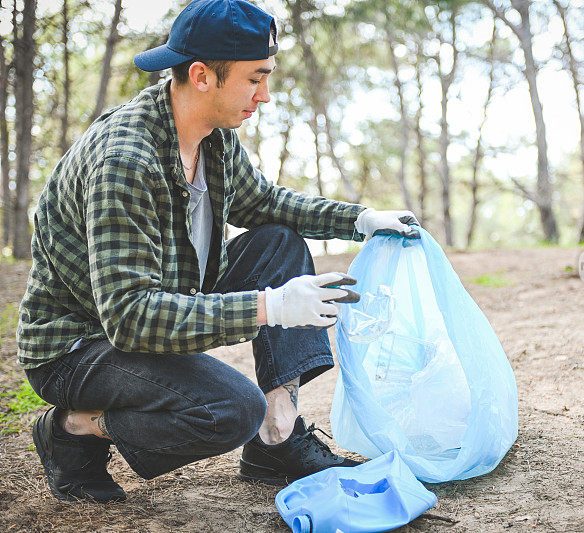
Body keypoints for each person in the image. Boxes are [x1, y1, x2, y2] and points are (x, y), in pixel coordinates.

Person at [16, 0, 419, 504]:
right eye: (254, 79)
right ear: (202, 75)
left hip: (163, 297)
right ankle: (74, 426)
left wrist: (358, 220)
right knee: (229, 409)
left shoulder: (212, 138)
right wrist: (270, 306)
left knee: (279, 242)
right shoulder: (126, 161)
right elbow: (130, 317)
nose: (264, 95)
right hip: (81, 346)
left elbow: (265, 203)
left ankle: (276, 438)